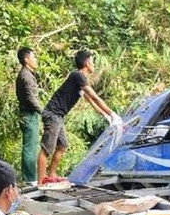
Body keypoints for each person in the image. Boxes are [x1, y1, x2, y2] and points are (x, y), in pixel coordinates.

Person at [38, 49, 120, 185]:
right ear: (87, 63)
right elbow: (94, 96)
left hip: (58, 115)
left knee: (62, 145)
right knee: (47, 149)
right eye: (92, 61)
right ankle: (41, 181)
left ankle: (52, 174)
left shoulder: (80, 80)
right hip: (52, 114)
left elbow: (91, 101)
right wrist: (112, 113)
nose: (94, 64)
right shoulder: (78, 76)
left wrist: (107, 116)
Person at [16, 46, 42, 183]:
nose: (36, 60)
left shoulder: (26, 74)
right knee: (30, 148)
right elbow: (30, 98)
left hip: (29, 115)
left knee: (32, 146)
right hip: (29, 115)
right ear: (26, 60)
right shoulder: (25, 76)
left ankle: (31, 178)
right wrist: (43, 112)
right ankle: (29, 179)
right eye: (34, 57)